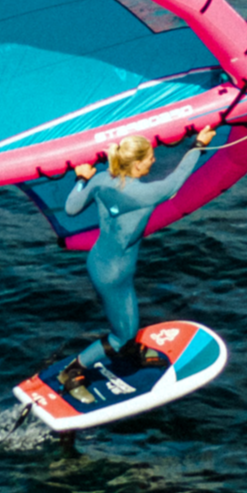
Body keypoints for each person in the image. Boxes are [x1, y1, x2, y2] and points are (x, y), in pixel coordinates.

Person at [58, 125, 216, 402]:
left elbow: (71, 209)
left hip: (102, 263)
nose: (153, 161)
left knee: (129, 323)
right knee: (123, 333)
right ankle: (73, 372)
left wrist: (82, 179)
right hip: (113, 274)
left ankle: (128, 350)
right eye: (149, 158)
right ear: (137, 163)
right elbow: (176, 181)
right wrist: (198, 145)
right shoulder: (146, 194)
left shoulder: (102, 179)